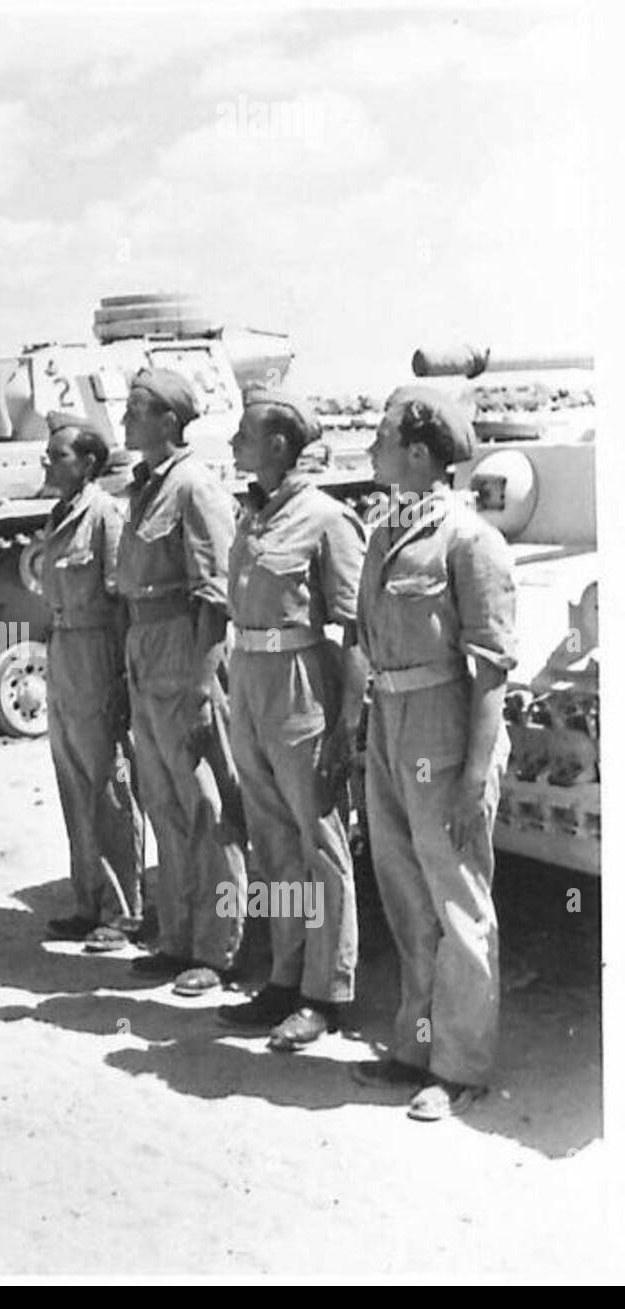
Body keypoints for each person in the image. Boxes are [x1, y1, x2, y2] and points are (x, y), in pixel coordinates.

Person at [351, 385, 516, 1121]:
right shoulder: (386, 533)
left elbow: (490, 668)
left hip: (446, 728)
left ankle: (461, 1065)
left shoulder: (470, 540)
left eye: (383, 435)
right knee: (406, 892)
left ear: (419, 451)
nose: (372, 447)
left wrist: (475, 775)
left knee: (457, 896)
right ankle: (417, 1041)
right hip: (389, 722)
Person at [218, 390, 366, 1050]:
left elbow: (356, 627)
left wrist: (347, 724)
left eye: (243, 435)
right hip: (249, 681)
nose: (233, 445)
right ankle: (283, 974)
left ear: (279, 444)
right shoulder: (255, 517)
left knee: (319, 843)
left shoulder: (325, 519)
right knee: (272, 842)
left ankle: (325, 991)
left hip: (303, 683)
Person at [116, 368, 248, 995]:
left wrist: (202, 684)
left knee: (205, 802)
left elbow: (215, 595)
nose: (123, 420)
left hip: (184, 649)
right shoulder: (146, 488)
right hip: (147, 647)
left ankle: (218, 948)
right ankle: (178, 935)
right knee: (163, 799)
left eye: (136, 411)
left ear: (169, 421)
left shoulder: (193, 487)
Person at [38, 416, 145, 951]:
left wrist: (121, 678)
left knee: (108, 782)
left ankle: (121, 910)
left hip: (97, 650)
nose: (47, 462)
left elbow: (122, 601)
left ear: (87, 463)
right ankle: (88, 899)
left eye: (58, 455)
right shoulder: (60, 515)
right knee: (73, 779)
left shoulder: (105, 516)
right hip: (63, 651)